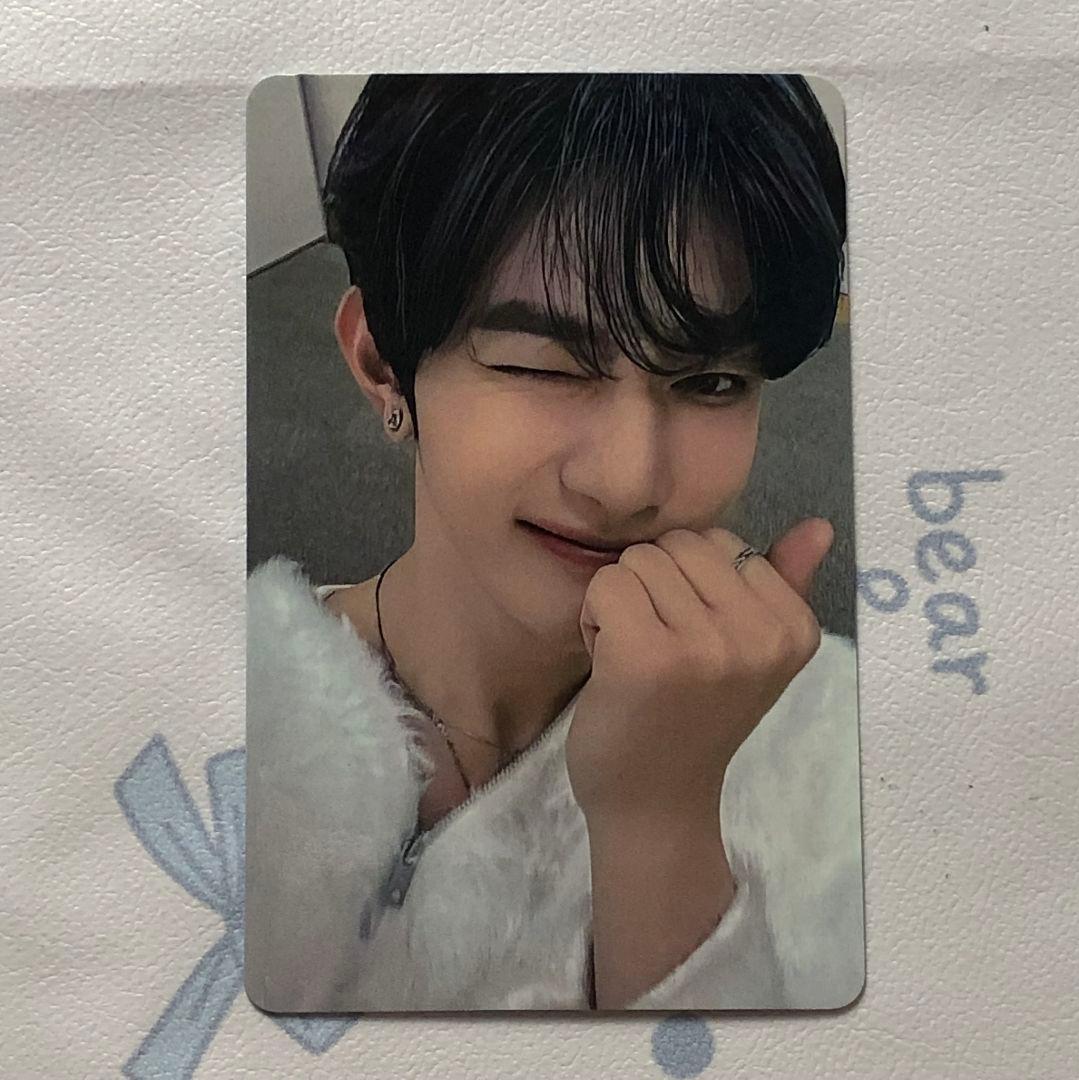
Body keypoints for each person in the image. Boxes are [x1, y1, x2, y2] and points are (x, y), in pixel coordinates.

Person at [244, 73, 863, 1014]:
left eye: (710, 383)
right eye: (545, 366)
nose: (629, 481)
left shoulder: (841, 740)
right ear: (382, 364)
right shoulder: (226, 705)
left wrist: (661, 820)